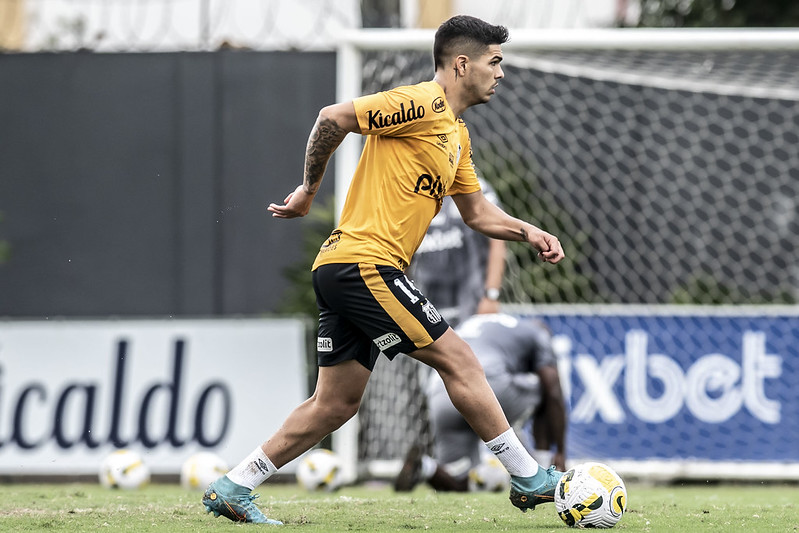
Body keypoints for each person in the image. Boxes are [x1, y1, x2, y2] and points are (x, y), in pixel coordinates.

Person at [201, 14, 565, 525]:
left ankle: (234, 485)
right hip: (364, 264)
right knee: (460, 360)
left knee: (335, 405)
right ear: (463, 64)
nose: (501, 73)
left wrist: (529, 231)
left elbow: (478, 213)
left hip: (345, 267)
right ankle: (528, 477)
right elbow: (332, 117)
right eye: (495, 61)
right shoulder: (421, 103)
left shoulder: (456, 134)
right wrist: (308, 190)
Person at [394, 313, 567, 493]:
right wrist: (561, 452)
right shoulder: (539, 334)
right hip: (484, 384)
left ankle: (426, 467)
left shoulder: (482, 322)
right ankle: (545, 468)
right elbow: (554, 392)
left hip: (440, 392)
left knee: (459, 478)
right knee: (546, 389)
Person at [407, 175, 506, 328]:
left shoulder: (476, 187)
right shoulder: (412, 190)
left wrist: (491, 296)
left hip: (472, 300)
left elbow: (496, 240)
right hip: (426, 301)